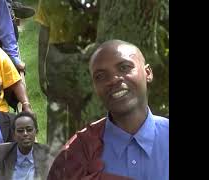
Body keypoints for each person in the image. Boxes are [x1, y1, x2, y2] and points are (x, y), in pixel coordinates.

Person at [47, 40, 169, 180]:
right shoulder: (77, 152)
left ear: (148, 73)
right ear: (94, 87)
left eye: (124, 67)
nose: (113, 79)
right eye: (100, 76)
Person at [34, 0, 103, 155]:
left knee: (85, 115)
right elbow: (44, 33)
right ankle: (56, 165)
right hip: (57, 58)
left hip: (86, 56)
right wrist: (41, 68)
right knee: (57, 118)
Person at [0, 111, 54, 180]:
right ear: (14, 134)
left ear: (36, 132)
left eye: (29, 130)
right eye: (20, 131)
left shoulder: (48, 154)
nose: (25, 134)